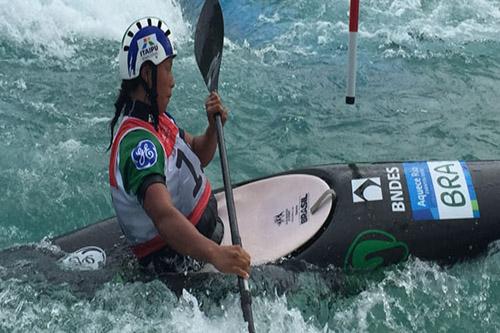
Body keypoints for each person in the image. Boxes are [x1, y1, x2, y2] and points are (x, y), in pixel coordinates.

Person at [108, 17, 251, 278]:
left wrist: (212, 129)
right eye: (168, 69)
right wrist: (215, 255)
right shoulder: (140, 146)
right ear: (148, 74)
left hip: (202, 241)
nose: (173, 81)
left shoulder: (158, 120)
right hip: (177, 264)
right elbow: (162, 217)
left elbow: (198, 153)